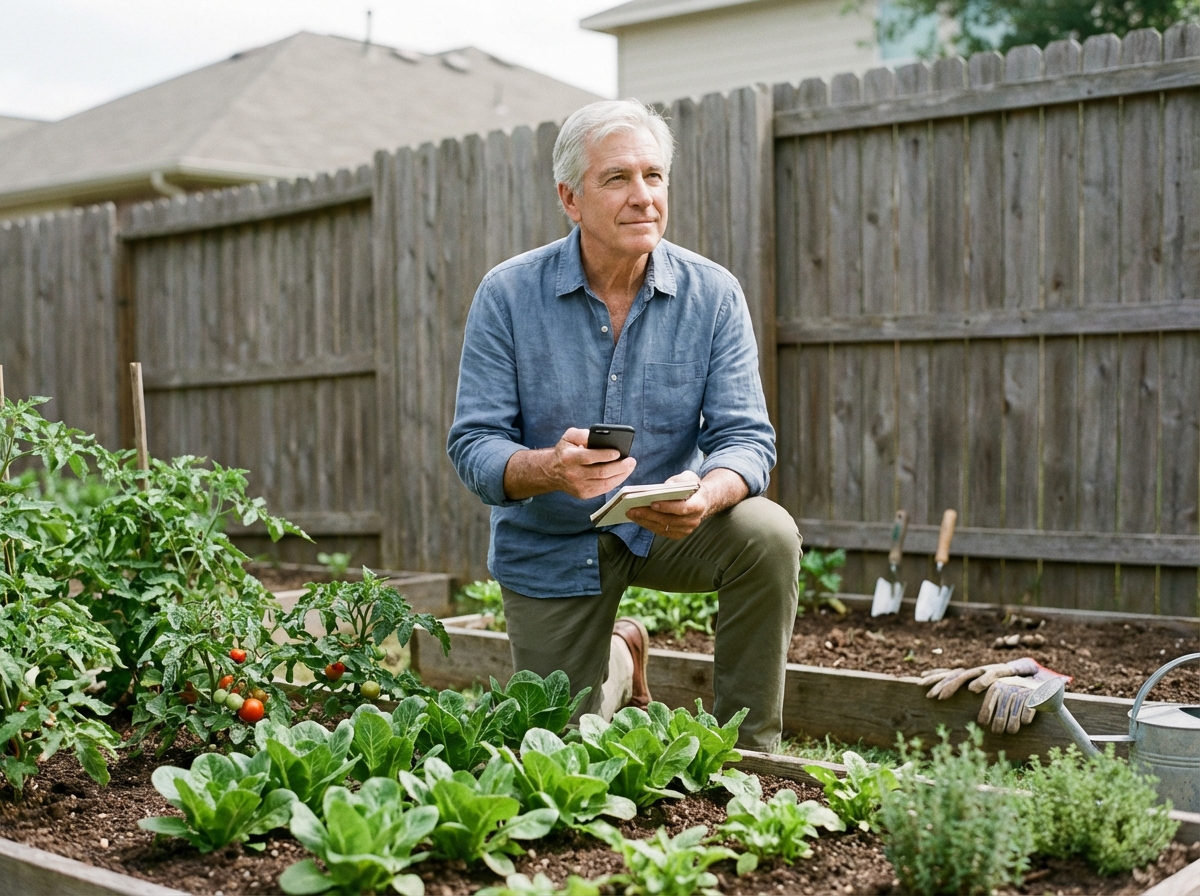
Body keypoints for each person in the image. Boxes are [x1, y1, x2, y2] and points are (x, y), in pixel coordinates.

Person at [446, 98, 801, 751]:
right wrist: (549, 469)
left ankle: (752, 753)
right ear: (570, 199)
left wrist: (706, 495)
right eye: (617, 178)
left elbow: (747, 439)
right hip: (552, 541)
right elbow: (473, 445)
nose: (643, 196)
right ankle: (619, 657)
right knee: (557, 749)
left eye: (654, 176)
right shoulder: (507, 295)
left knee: (768, 534)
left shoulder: (713, 294)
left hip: (663, 525)